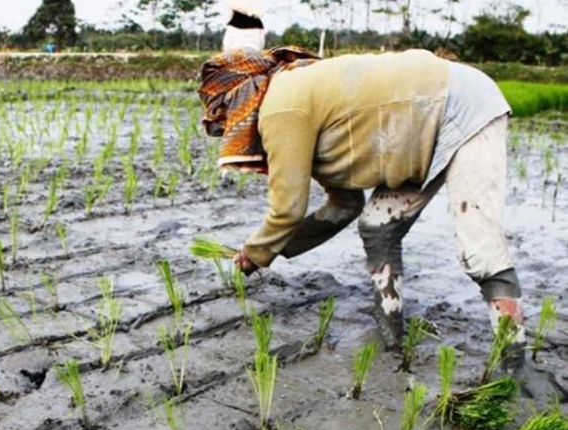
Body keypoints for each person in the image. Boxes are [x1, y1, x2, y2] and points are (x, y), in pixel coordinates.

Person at [198, 47, 566, 402]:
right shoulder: (297, 95)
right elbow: (345, 205)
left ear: (242, 96)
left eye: (225, 112)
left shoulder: (281, 106)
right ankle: (389, 330)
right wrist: (275, 250)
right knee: (378, 225)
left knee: (478, 247)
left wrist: (257, 252)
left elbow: (286, 210)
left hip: (461, 107)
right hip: (417, 129)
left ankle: (517, 364)